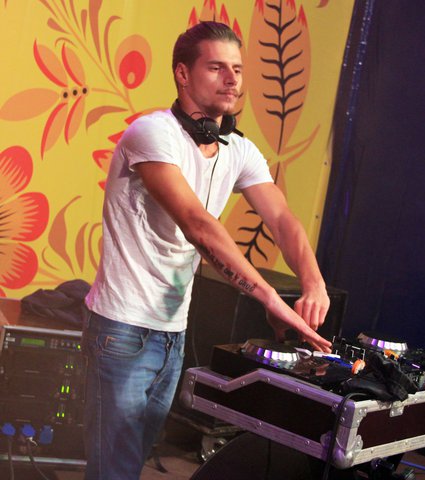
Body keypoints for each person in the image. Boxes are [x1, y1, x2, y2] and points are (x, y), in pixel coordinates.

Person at [82, 21, 331, 480]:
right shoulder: (151, 134)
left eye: (237, 68)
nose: (232, 79)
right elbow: (198, 225)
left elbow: (282, 219)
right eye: (217, 67)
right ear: (183, 73)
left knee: (131, 463)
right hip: (122, 329)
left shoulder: (239, 149)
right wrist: (269, 298)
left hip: (172, 332)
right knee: (112, 471)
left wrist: (314, 284)